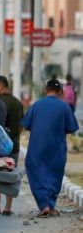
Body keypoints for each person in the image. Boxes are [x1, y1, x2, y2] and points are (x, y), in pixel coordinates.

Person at [21, 79, 79, 217]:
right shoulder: (64, 106)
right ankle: (49, 205)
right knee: (54, 175)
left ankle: (44, 205)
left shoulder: (36, 105)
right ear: (59, 92)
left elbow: (26, 124)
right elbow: (71, 127)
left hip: (37, 147)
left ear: (46, 90)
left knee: (36, 173)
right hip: (56, 147)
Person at [0, 75, 24, 215]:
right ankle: (8, 207)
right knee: (10, 174)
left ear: (0, 86)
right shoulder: (17, 103)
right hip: (14, 144)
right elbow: (21, 126)